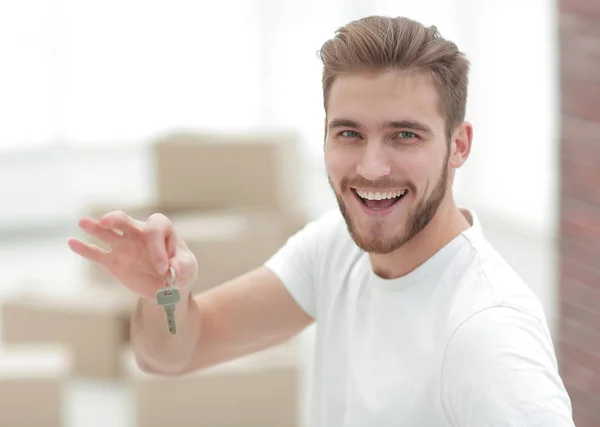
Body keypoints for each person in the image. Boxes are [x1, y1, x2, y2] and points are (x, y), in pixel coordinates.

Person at [68, 15, 575, 427]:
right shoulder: (338, 249)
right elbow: (174, 355)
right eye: (350, 133)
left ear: (458, 145)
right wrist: (164, 293)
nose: (372, 167)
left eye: (404, 136)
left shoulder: (487, 333)